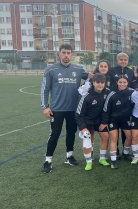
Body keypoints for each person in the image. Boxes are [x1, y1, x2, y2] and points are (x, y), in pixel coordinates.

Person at [41, 44, 88, 173]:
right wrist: (45, 107)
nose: (66, 55)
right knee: (55, 134)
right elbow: (44, 89)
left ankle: (69, 156)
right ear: (59, 53)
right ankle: (48, 160)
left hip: (73, 109)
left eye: (68, 53)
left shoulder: (78, 69)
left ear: (72, 54)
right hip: (56, 109)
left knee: (71, 132)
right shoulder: (51, 69)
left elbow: (91, 78)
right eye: (64, 52)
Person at [75, 73, 110, 171]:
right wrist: (83, 128)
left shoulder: (107, 92)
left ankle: (102, 159)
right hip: (87, 121)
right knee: (87, 139)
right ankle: (89, 162)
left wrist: (104, 122)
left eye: (102, 82)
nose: (100, 85)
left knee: (106, 137)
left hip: (99, 121)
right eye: (97, 82)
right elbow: (78, 114)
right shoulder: (86, 96)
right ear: (93, 83)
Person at [101, 75, 134, 169]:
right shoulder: (112, 94)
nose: (122, 84)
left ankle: (126, 154)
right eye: (120, 82)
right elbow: (106, 109)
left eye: (124, 82)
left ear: (127, 83)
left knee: (130, 136)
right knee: (114, 138)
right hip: (113, 119)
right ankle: (113, 160)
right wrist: (104, 122)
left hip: (125, 119)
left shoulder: (132, 92)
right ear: (117, 83)